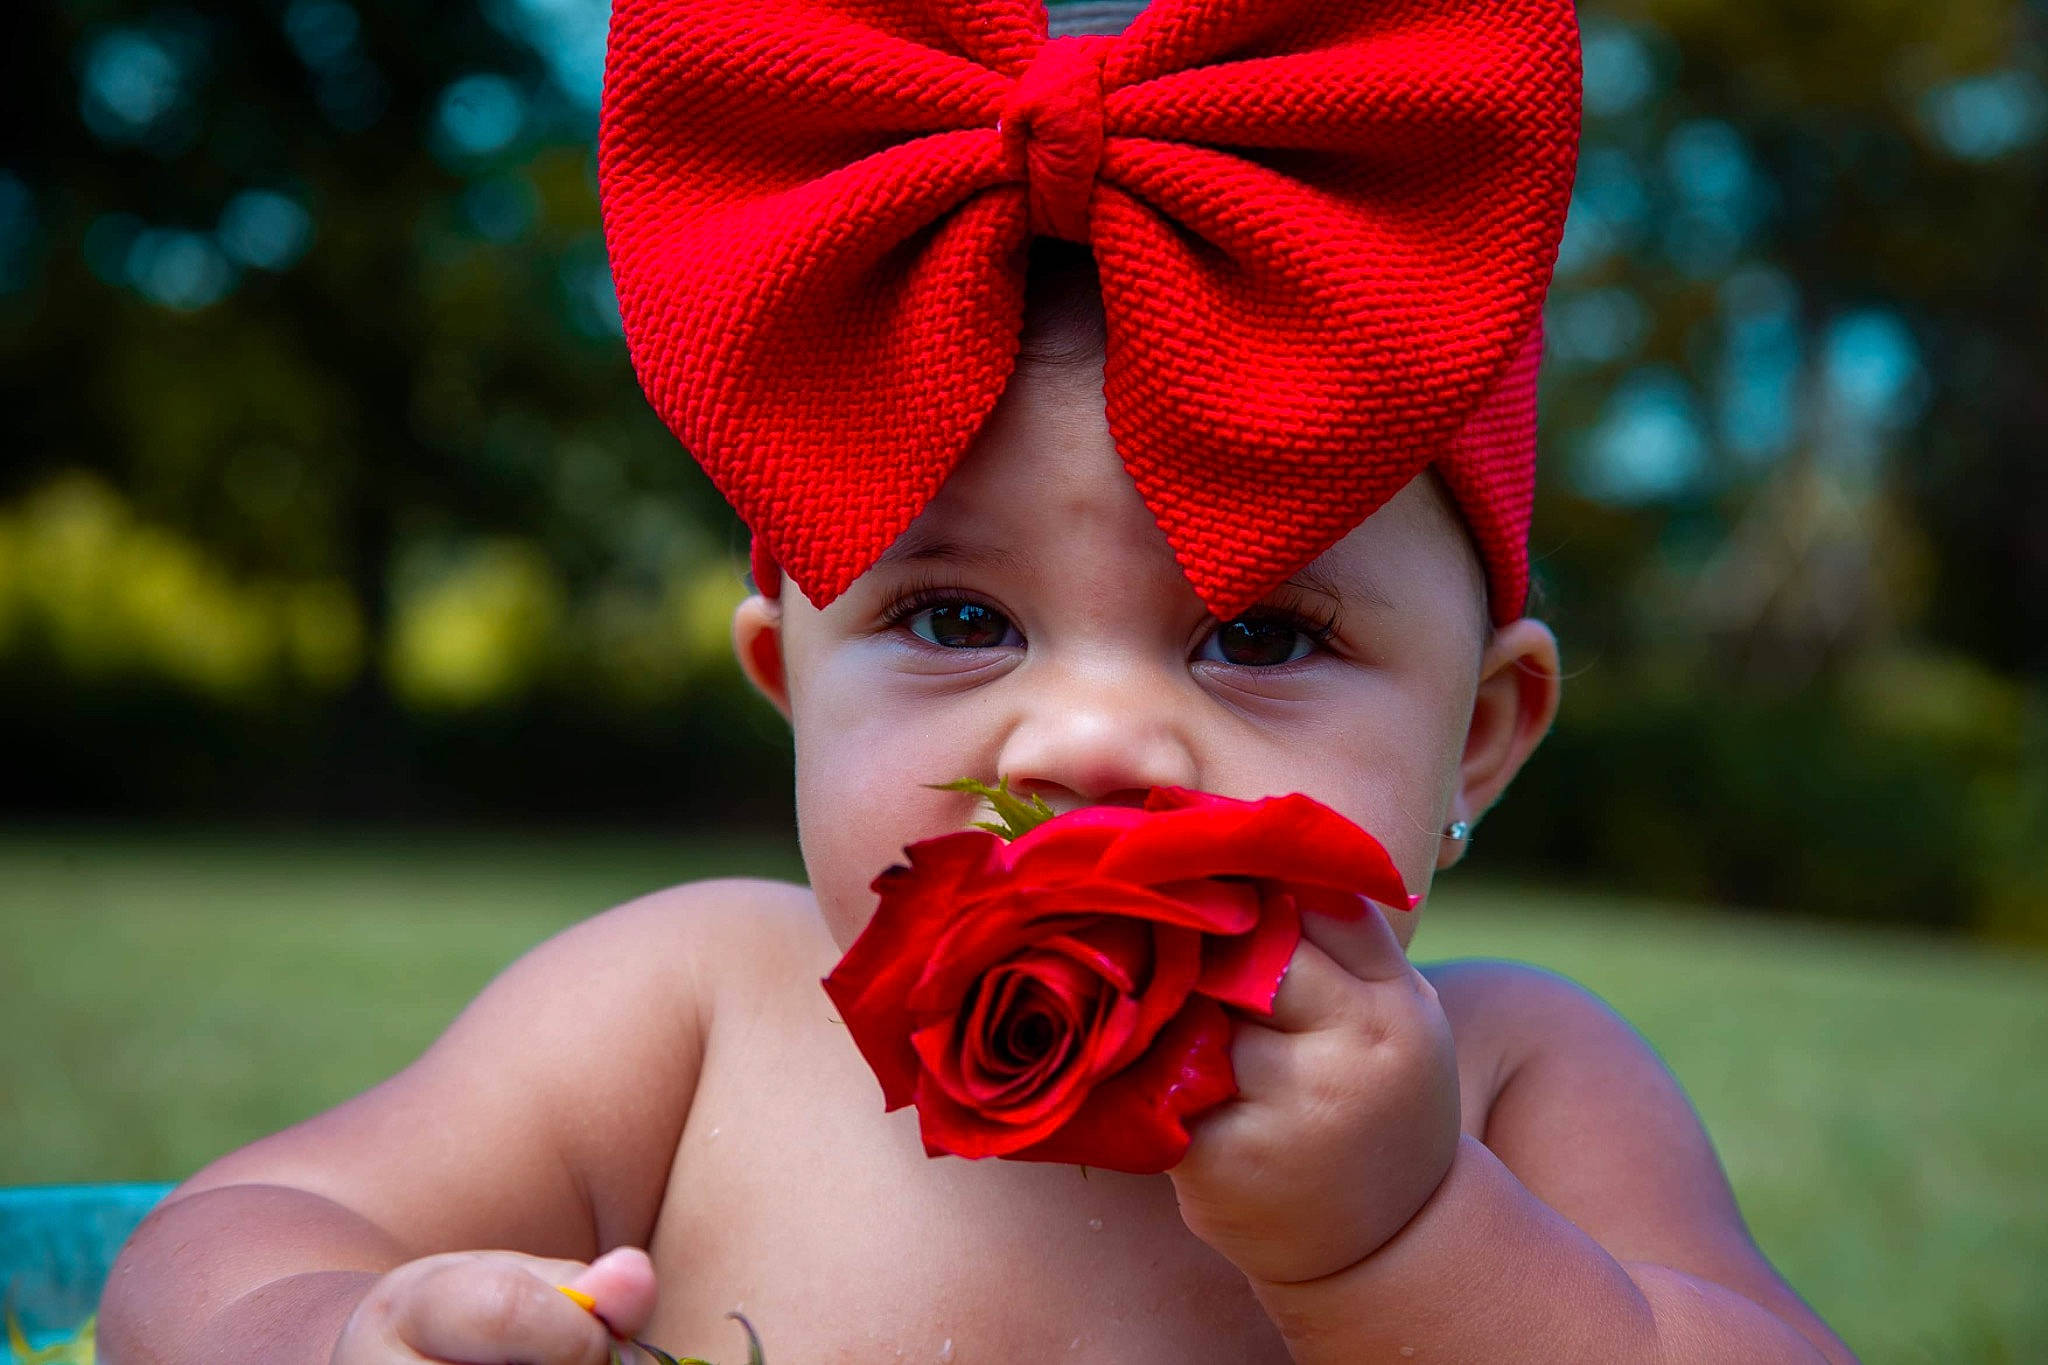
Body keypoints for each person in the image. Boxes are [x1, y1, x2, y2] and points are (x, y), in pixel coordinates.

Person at [101, 0, 1857, 1361]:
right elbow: (217, 1235)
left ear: (1477, 735)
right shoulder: (690, 1011)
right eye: (956, 619)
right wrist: (331, 1329)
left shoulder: (1513, 1081)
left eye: (1260, 631)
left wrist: (1411, 1242)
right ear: (790, 672)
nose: (1090, 735)